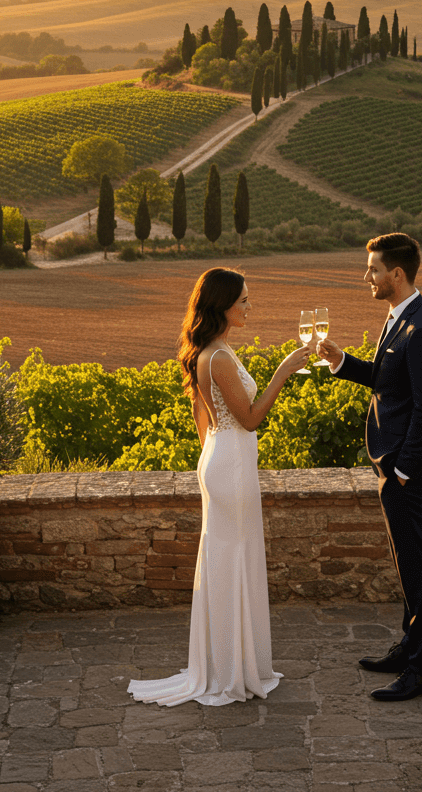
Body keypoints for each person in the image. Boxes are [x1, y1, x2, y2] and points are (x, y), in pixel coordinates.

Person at [127, 267, 310, 707]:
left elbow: (199, 413)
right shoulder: (221, 357)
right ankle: (231, 671)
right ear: (222, 305)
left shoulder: (210, 350)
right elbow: (249, 418)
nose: (249, 306)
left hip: (222, 458)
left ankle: (230, 663)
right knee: (234, 557)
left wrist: (213, 451)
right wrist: (283, 371)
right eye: (243, 300)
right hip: (231, 463)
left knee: (228, 556)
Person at [317, 232, 422, 702]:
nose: (365, 276)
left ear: (397, 273)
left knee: (419, 571)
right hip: (392, 467)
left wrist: (405, 472)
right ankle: (409, 648)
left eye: (372, 269)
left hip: (406, 471)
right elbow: (386, 379)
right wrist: (342, 361)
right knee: (406, 564)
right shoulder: (399, 318)